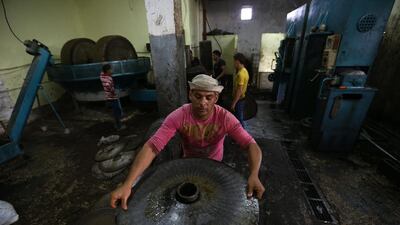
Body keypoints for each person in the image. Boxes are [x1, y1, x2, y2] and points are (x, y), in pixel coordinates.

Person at [110, 74, 265, 210]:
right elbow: (152, 146)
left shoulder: (225, 118)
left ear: (216, 98)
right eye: (198, 96)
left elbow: (251, 144)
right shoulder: (178, 116)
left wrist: (254, 174)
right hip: (188, 163)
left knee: (211, 204)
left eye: (208, 97)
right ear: (190, 94)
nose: (203, 103)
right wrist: (128, 183)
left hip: (215, 164)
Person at [100, 64, 124, 130]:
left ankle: (116, 123)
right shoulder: (108, 79)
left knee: (115, 110)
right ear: (107, 71)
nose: (112, 70)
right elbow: (108, 86)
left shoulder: (102, 76)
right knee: (117, 112)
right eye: (111, 69)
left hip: (108, 97)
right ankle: (119, 126)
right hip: (112, 97)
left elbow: (102, 72)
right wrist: (114, 92)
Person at [231, 53, 249, 128]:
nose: (233, 63)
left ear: (238, 61)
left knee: (239, 119)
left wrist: (234, 103)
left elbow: (239, 90)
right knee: (238, 118)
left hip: (239, 99)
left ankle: (242, 136)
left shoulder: (241, 74)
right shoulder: (245, 71)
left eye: (234, 61)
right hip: (241, 98)